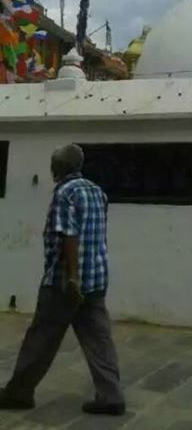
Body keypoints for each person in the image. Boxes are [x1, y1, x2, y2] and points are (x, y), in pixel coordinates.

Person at [0, 144, 125, 415]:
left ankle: (18, 393)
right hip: (96, 277)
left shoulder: (65, 193)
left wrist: (72, 279)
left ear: (57, 168)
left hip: (65, 282)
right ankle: (111, 395)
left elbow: (69, 235)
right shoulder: (97, 192)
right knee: (98, 338)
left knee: (41, 337)